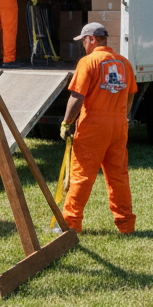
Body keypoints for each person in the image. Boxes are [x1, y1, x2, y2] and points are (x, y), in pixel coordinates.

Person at [58, 22, 137, 234]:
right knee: (118, 177)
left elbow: (76, 97)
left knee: (82, 175)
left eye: (84, 41)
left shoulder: (88, 62)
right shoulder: (124, 63)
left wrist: (67, 122)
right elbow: (130, 94)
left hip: (93, 126)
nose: (83, 45)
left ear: (91, 39)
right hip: (119, 126)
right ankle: (126, 225)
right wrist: (122, 115)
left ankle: (70, 225)